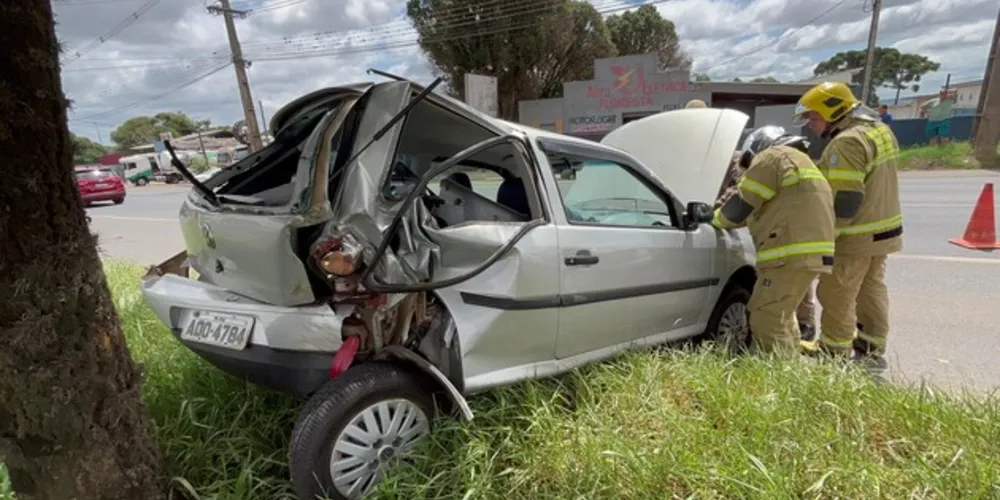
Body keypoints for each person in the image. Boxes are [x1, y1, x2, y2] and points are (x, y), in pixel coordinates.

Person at [792, 81, 903, 368]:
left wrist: (828, 238)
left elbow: (846, 198)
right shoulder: (880, 130)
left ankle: (833, 350)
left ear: (833, 111)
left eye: (813, 116)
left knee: (835, 291)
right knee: (871, 287)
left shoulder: (846, 142)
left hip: (855, 235)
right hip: (883, 231)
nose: (810, 124)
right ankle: (872, 342)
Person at [711, 126, 836, 354]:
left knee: (765, 317)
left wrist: (713, 218)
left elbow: (740, 207)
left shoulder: (771, 158)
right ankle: (790, 365)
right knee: (782, 316)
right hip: (811, 253)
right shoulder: (801, 161)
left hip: (787, 254)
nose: (749, 168)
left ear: (757, 149)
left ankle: (778, 371)